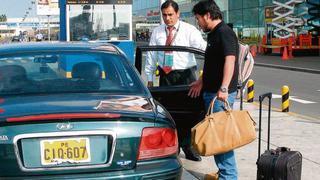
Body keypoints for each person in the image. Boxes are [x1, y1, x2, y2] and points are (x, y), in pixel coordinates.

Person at [145, 0, 206, 161]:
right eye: (164, 15)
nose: (168, 18)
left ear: (178, 14)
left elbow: (203, 48)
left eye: (171, 15)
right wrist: (150, 78)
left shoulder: (189, 30)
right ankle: (175, 145)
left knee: (190, 113)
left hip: (186, 76)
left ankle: (188, 146)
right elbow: (151, 57)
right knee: (169, 113)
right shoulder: (157, 32)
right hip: (166, 76)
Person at [189, 0, 239, 179]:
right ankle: (224, 173)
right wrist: (201, 81)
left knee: (221, 141)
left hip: (220, 95)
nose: (198, 22)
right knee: (217, 139)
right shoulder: (213, 34)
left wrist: (224, 88)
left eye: (198, 19)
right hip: (211, 93)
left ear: (207, 15)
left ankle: (229, 176)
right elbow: (212, 65)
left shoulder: (224, 33)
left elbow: (230, 61)